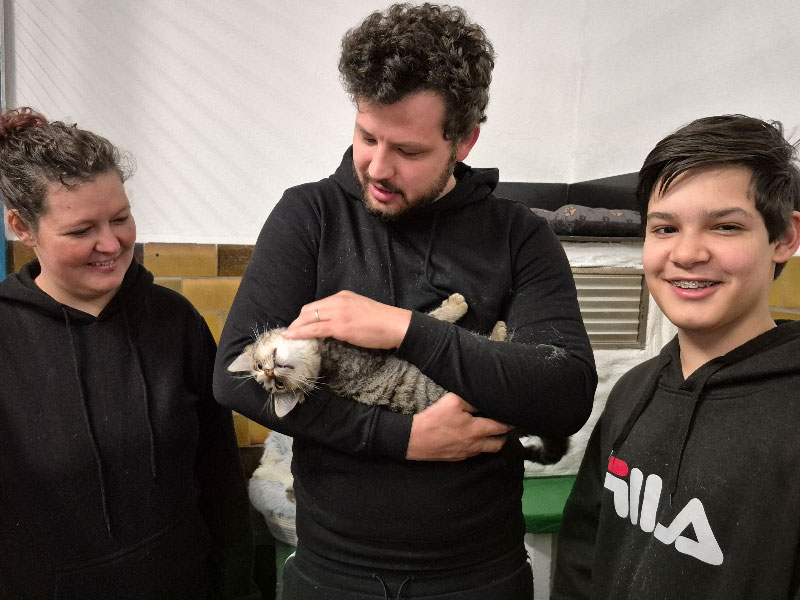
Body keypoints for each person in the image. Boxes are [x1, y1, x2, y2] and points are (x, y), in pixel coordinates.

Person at [213, 4, 596, 599]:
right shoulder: (309, 216)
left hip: (480, 575)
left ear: (464, 141)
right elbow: (235, 377)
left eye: (410, 151)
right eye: (367, 136)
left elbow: (564, 393)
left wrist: (404, 330)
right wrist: (403, 438)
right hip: (332, 573)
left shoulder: (519, 235)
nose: (378, 167)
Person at [0, 107, 260, 600]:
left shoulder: (175, 321)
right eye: (80, 230)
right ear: (22, 227)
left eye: (120, 219)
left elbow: (222, 482)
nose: (110, 243)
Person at [551, 115, 800, 600]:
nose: (686, 253)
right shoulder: (632, 391)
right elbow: (583, 550)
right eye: (664, 228)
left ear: (784, 239)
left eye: (725, 226)